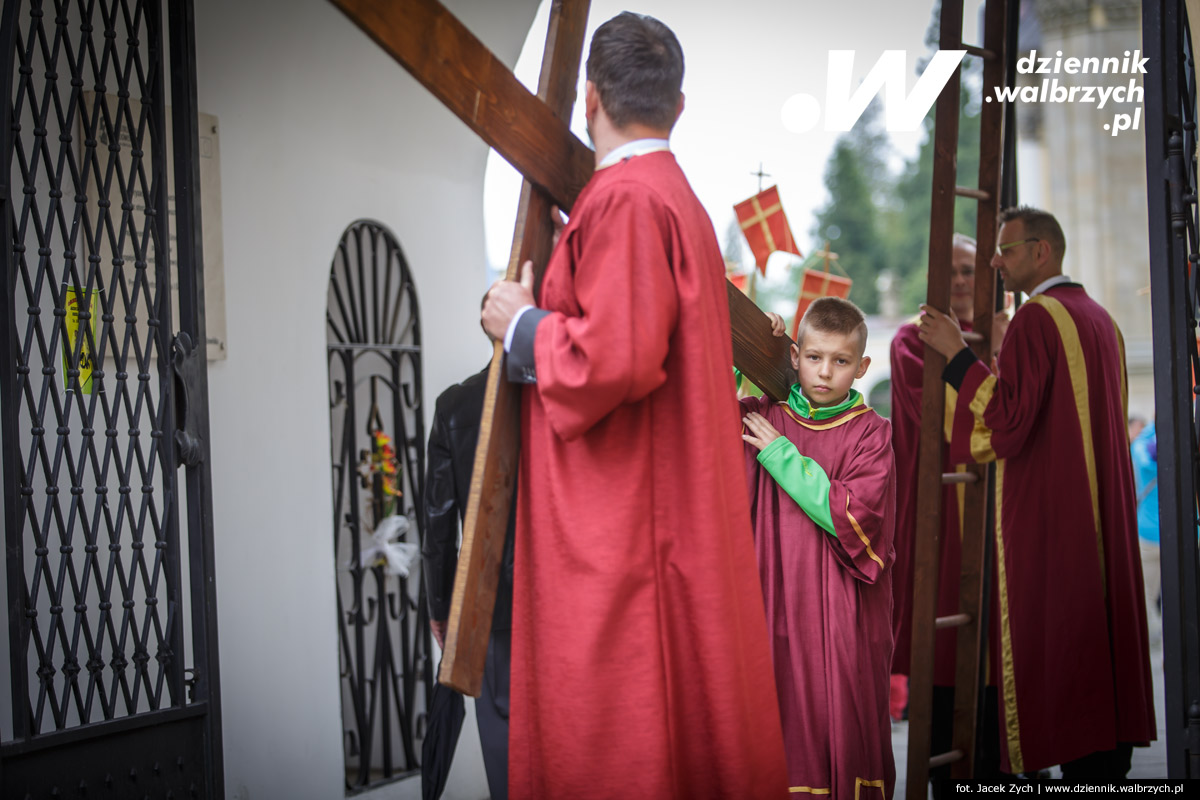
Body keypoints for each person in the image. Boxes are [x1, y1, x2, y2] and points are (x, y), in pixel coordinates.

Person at [480, 11, 788, 798]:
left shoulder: (625, 203)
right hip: (668, 504)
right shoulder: (669, 197)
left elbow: (610, 360)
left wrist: (518, 323)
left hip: (623, 524)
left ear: (588, 98)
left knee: (623, 734)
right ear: (678, 106)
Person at [918, 206, 1156, 779]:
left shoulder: (1037, 319)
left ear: (1042, 251)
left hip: (1059, 519)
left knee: (1062, 644)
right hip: (1102, 513)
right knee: (1102, 642)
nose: (996, 260)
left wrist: (956, 355)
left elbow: (1005, 422)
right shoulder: (1102, 320)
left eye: (1007, 248)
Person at [740, 298, 896, 798]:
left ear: (862, 366)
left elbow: (854, 515)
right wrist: (745, 343)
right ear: (794, 355)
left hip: (840, 617)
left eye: (841, 360)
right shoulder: (765, 415)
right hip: (772, 609)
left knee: (838, 726)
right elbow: (701, 415)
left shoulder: (873, 434)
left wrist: (780, 456)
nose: (824, 372)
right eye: (813, 357)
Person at [889, 234, 1003, 788]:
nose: (960, 280)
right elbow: (962, 428)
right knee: (944, 665)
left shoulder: (1003, 334)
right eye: (952, 271)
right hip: (943, 521)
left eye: (970, 270)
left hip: (1003, 519)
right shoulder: (913, 342)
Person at [423, 363, 513, 800]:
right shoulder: (566, 395)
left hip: (486, 607)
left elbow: (438, 527)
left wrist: (440, 610)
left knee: (505, 763)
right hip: (562, 605)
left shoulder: (454, 405)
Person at [1130, 419, 1160, 645]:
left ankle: (1152, 639)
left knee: (1147, 594)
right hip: (1180, 536)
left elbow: (1141, 448)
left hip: (1148, 534)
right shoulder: (1180, 444)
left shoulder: (1141, 447)